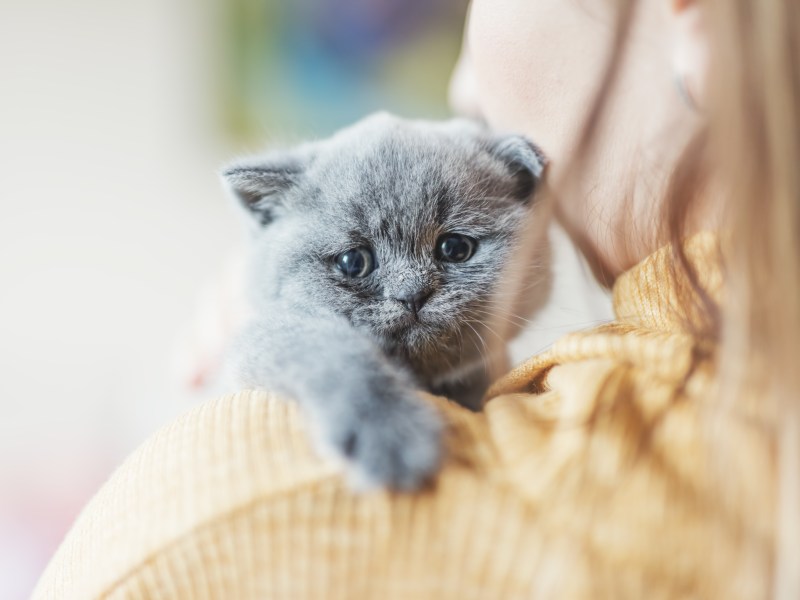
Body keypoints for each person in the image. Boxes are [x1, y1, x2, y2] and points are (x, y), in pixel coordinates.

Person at [34, 0, 798, 598]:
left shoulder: (232, 510)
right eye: (356, 264)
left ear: (692, 17)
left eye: (456, 250)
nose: (462, 82)